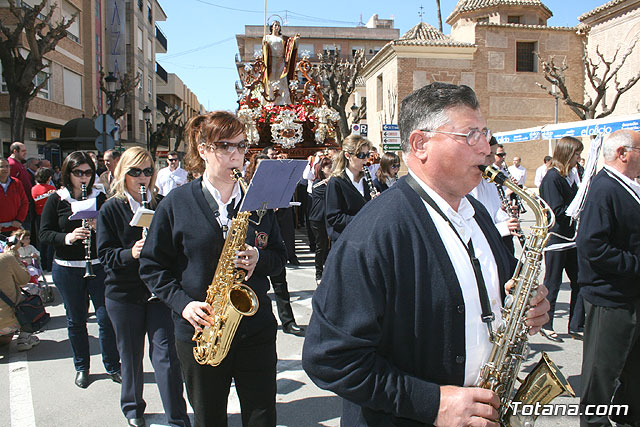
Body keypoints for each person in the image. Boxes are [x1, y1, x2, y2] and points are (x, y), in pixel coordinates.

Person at [302, 82, 550, 426]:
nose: (487, 148)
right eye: (471, 135)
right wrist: (433, 404)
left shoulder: (476, 213)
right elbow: (329, 359)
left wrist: (527, 304)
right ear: (420, 144)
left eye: (486, 134)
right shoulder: (375, 232)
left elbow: (499, 292)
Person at [139, 111, 287, 427]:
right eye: (226, 146)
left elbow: (279, 256)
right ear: (203, 148)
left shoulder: (258, 202)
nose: (237, 155)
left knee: (262, 415)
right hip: (201, 330)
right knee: (209, 419)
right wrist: (184, 305)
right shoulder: (176, 203)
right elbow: (152, 266)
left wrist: (259, 259)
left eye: (242, 146)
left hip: (255, 328)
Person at [97, 147, 190, 427]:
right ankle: (133, 408)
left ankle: (177, 416)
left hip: (159, 293)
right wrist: (132, 253)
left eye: (148, 171)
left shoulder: (161, 203)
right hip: (124, 294)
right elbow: (105, 256)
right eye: (135, 172)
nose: (142, 178)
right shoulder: (111, 208)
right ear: (122, 174)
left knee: (166, 356)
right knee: (130, 354)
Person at [39, 151, 121, 388]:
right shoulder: (57, 199)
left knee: (106, 319)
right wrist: (69, 237)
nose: (83, 178)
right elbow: (44, 233)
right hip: (67, 268)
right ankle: (82, 367)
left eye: (87, 172)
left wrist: (100, 227)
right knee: (76, 320)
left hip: (98, 266)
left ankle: (113, 366)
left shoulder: (101, 196)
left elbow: (115, 230)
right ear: (68, 173)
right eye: (78, 173)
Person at [577, 130, 640, 427]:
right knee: (601, 379)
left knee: (631, 374)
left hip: (629, 298)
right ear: (623, 153)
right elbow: (593, 246)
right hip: (610, 301)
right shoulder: (604, 188)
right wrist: (635, 265)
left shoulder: (627, 186)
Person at [245, 153, 305, 337]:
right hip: (253, 230)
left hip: (273, 225)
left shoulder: (277, 184)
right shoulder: (245, 186)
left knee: (280, 276)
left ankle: (288, 320)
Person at [539, 136, 584, 342]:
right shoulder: (552, 178)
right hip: (557, 237)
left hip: (572, 238)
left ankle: (576, 324)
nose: (578, 158)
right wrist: (578, 209)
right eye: (576, 153)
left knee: (579, 280)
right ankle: (546, 324)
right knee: (553, 282)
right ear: (567, 153)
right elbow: (556, 210)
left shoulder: (573, 175)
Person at [470, 137, 521, 251]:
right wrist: (502, 228)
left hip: (500, 240)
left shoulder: (490, 180)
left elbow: (493, 211)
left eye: (494, 154)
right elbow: (473, 227)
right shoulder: (467, 185)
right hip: (485, 246)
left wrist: (504, 212)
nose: (493, 160)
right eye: (489, 155)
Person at [325, 134, 375, 244]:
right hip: (345, 242)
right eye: (361, 155)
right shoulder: (336, 182)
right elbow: (334, 218)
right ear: (348, 155)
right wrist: (364, 218)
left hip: (365, 239)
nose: (365, 159)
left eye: (367, 155)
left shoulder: (367, 180)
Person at [0, 243, 40, 351]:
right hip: (8, 321)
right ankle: (24, 337)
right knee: (33, 290)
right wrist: (14, 257)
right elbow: (24, 279)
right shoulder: (6, 258)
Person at [262, 20, 298, 106]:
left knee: (282, 79)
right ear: (271, 27)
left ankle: (284, 101)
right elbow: (264, 49)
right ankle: (270, 99)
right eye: (275, 25)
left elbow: (291, 44)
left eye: (278, 25)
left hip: (281, 61)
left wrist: (296, 40)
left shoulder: (283, 38)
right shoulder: (267, 37)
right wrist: (264, 44)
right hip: (271, 61)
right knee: (271, 78)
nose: (277, 27)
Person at [309, 155, 332, 285]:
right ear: (322, 169)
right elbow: (325, 193)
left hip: (329, 217)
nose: (331, 169)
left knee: (331, 245)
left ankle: (329, 270)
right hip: (317, 218)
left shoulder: (332, 182)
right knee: (321, 245)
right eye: (329, 167)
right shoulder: (317, 183)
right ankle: (319, 273)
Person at [31, 167, 56, 270]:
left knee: (41, 241)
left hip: (38, 217)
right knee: (50, 241)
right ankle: (49, 265)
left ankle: (43, 264)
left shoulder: (33, 189)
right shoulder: (52, 189)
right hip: (50, 216)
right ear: (49, 177)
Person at [8, 142, 34, 232]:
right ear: (15, 151)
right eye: (23, 151)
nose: (25, 153)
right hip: (20, 206)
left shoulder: (18, 164)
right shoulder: (11, 165)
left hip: (25, 203)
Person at [0, 157, 28, 237]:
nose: (5, 169)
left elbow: (24, 202)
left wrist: (19, 220)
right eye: (2, 166)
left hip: (14, 228)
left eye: (7, 166)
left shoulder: (16, 183)